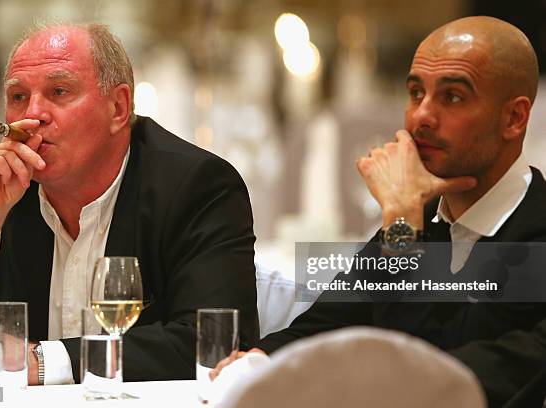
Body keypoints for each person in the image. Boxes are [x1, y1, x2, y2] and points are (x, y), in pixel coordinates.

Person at [212, 16, 546, 406]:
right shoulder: (425, 219)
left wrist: (403, 224)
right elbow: (326, 327)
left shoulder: (530, 235)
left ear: (514, 118)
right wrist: (262, 361)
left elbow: (431, 378)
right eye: (416, 92)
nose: (422, 115)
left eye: (452, 96)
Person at [0, 23, 259, 385]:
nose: (33, 115)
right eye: (18, 97)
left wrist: (43, 360)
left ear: (118, 107)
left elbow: (217, 345)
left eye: (59, 91)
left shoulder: (195, 187)